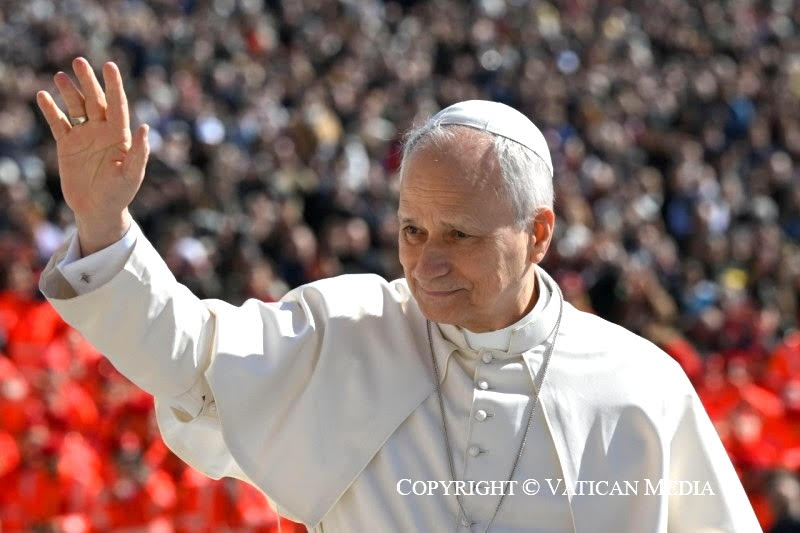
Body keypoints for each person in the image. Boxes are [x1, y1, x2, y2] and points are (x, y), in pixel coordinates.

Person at [36, 57, 761, 532]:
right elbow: (192, 358)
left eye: (460, 236)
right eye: (413, 230)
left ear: (538, 233)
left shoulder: (641, 386)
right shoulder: (347, 330)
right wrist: (104, 223)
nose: (428, 264)